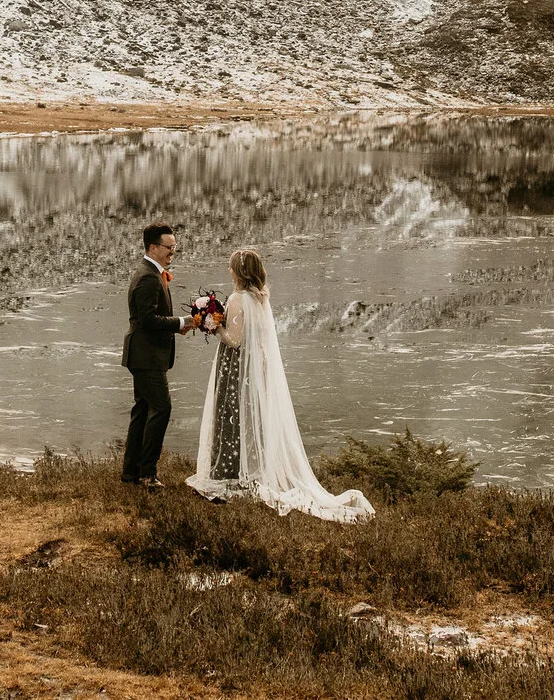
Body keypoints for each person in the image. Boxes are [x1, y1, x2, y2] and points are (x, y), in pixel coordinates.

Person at [186, 248, 373, 522]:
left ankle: (227, 474)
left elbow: (235, 340)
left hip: (236, 368)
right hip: (253, 370)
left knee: (230, 417)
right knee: (248, 420)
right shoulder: (260, 298)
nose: (228, 271)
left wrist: (212, 326)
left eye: (231, 267)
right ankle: (246, 470)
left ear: (239, 272)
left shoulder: (239, 298)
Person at [120, 221, 194, 487]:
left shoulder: (150, 272)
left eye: (174, 247)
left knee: (142, 410)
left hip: (143, 354)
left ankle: (131, 473)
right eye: (169, 248)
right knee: (161, 409)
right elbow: (148, 320)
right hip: (146, 355)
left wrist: (179, 326)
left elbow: (149, 319)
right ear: (153, 247)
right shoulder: (148, 277)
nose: (173, 252)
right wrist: (181, 322)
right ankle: (148, 474)